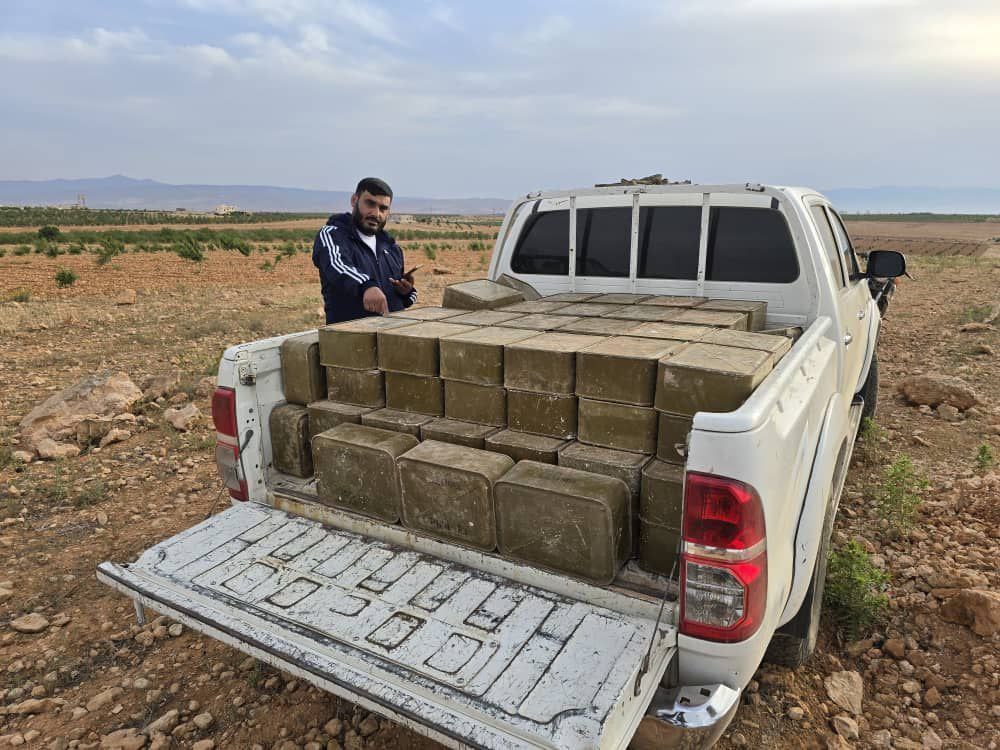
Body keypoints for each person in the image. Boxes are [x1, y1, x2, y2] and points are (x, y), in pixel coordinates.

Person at [312, 177, 417, 324]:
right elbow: (337, 266)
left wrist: (406, 292)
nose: (376, 213)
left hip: (392, 332)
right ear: (354, 200)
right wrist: (366, 286)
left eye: (383, 208)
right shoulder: (333, 235)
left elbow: (401, 299)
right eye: (370, 204)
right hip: (350, 334)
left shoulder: (392, 247)